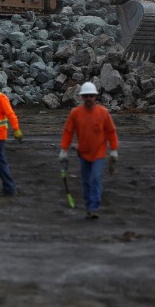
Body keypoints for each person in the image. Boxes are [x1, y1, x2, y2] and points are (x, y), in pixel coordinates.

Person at [59, 82, 119, 219]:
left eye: (91, 96)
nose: (89, 98)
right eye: (86, 96)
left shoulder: (103, 113)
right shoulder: (76, 114)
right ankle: (88, 206)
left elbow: (111, 131)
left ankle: (94, 208)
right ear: (82, 98)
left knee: (96, 179)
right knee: (86, 181)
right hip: (83, 154)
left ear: (95, 97)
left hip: (99, 153)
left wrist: (114, 150)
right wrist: (64, 150)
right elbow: (68, 132)